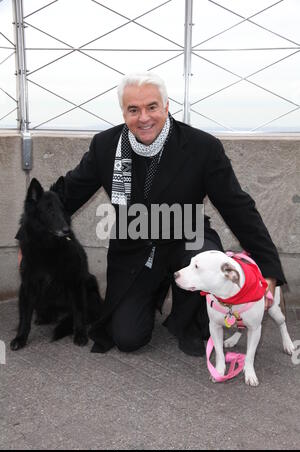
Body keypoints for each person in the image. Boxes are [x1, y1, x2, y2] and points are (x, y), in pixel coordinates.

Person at [20, 72, 286, 356]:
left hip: (188, 237)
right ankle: (152, 292)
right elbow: (66, 197)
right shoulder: (105, 147)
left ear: (166, 106)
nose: (143, 117)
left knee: (200, 299)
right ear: (123, 112)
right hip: (135, 248)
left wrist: (268, 269)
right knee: (127, 337)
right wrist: (28, 242)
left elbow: (238, 207)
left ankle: (189, 318)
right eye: (133, 110)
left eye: (152, 107)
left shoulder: (202, 147)